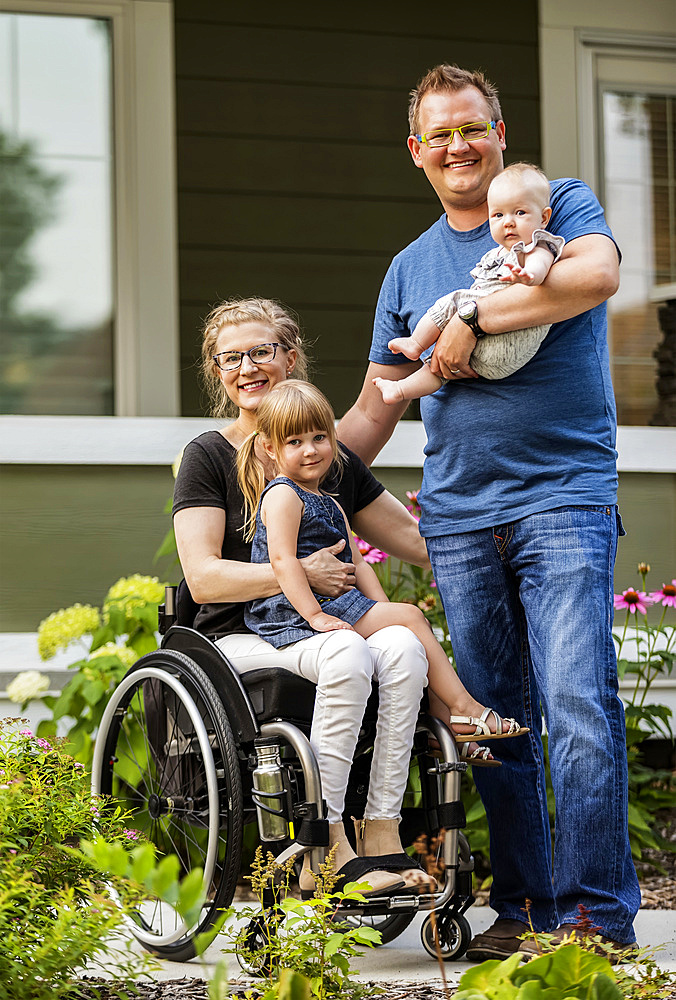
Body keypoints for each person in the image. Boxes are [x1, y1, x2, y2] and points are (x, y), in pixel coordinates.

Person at [338, 64, 640, 958]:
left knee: (579, 703)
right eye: (440, 135)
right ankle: (525, 908)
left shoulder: (555, 202)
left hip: (562, 498)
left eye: (473, 128)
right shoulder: (408, 265)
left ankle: (593, 919)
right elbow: (377, 406)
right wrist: (283, 468)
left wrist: (471, 313)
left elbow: (595, 276)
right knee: (491, 718)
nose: (460, 147)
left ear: (499, 132)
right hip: (461, 518)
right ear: (417, 153)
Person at [173, 296, 434, 897]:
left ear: (291, 358)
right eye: (229, 358)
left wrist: (499, 542)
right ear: (218, 372)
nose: (246, 368)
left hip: (317, 629)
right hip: (237, 638)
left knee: (400, 644)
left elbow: (414, 542)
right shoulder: (208, 456)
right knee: (351, 654)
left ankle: (383, 832)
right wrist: (300, 574)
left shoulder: (324, 454)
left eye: (259, 352)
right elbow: (205, 578)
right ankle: (327, 844)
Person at [236, 379, 527, 777]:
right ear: (270, 448)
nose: (310, 450)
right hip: (292, 610)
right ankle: (465, 708)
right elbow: (284, 562)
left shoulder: (329, 500)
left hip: (331, 602)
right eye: (294, 442)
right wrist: (314, 617)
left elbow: (360, 563)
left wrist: (380, 609)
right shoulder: (283, 495)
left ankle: (445, 726)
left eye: (320, 437)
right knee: (411, 617)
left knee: (406, 624)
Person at [373, 162, 565, 404]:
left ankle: (416, 342)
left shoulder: (536, 245)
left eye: (520, 213)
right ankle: (400, 390)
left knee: (454, 300)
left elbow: (540, 267)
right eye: (498, 215)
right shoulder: (495, 255)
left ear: (544, 217)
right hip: (481, 352)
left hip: (509, 343)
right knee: (439, 365)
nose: (508, 222)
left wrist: (527, 276)